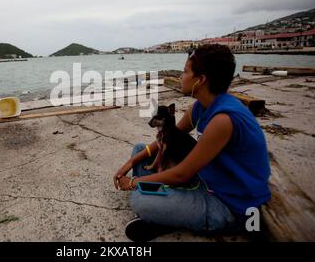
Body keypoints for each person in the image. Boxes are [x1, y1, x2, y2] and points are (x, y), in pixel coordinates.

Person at [113, 44, 271, 241]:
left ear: (201, 80)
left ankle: (170, 217)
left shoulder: (223, 119)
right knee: (139, 151)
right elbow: (170, 134)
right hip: (207, 180)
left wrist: (133, 182)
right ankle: (167, 210)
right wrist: (130, 163)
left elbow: (181, 174)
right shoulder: (202, 106)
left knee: (139, 199)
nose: (181, 76)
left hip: (230, 204)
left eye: (185, 71)